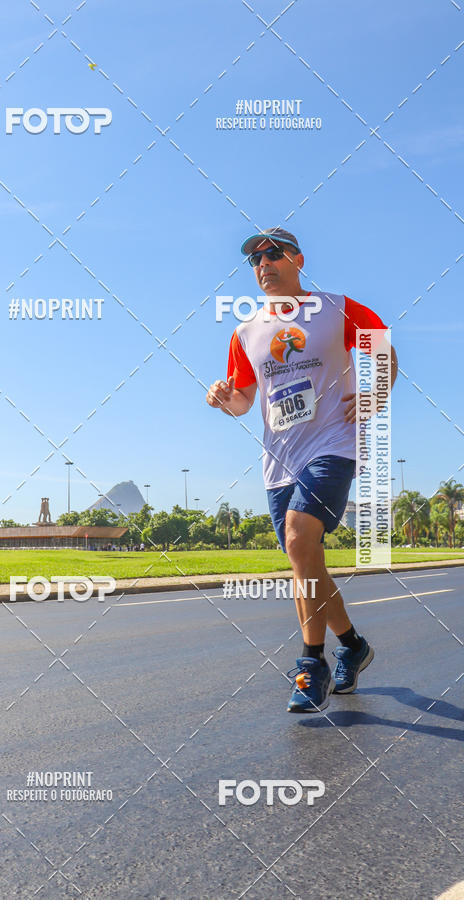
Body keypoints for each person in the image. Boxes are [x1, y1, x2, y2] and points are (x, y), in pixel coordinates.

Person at [207, 227, 398, 713]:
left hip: (333, 445)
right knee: (305, 560)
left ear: (298, 259)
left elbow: (384, 350)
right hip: (280, 462)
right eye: (254, 259)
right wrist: (224, 399)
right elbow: (245, 401)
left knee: (298, 540)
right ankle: (353, 646)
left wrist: (377, 393)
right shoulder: (245, 331)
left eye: (272, 254)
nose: (262, 264)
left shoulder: (336, 309)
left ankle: (310, 665)